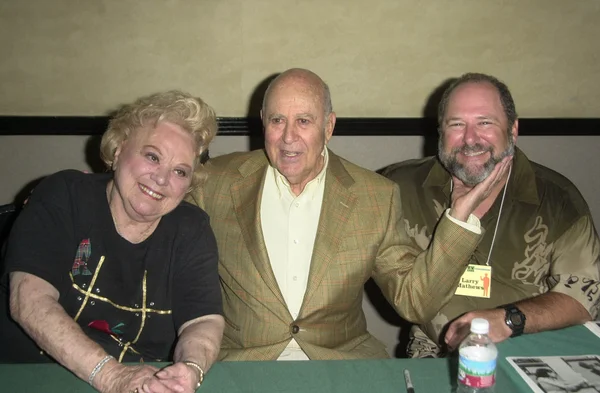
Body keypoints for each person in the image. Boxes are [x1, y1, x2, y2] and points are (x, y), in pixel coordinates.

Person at [187, 68, 512, 361]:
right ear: (262, 121)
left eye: (303, 121)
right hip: (243, 366)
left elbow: (416, 301)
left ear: (328, 126)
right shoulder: (213, 183)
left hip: (341, 365)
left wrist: (458, 217)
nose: (288, 137)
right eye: (277, 120)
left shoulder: (374, 197)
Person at [0, 91, 224, 393]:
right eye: (152, 156)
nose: (161, 178)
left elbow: (202, 321)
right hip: (30, 375)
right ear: (118, 149)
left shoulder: (191, 229)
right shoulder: (65, 195)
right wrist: (112, 376)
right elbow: (29, 301)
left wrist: (191, 368)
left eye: (180, 171)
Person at [382, 72, 600, 358]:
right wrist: (457, 220)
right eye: (456, 124)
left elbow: (585, 297)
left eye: (485, 123)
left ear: (512, 129)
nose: (470, 139)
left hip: (529, 355)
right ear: (441, 131)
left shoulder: (557, 199)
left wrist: (509, 319)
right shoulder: (398, 190)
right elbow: (411, 304)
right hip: (435, 354)